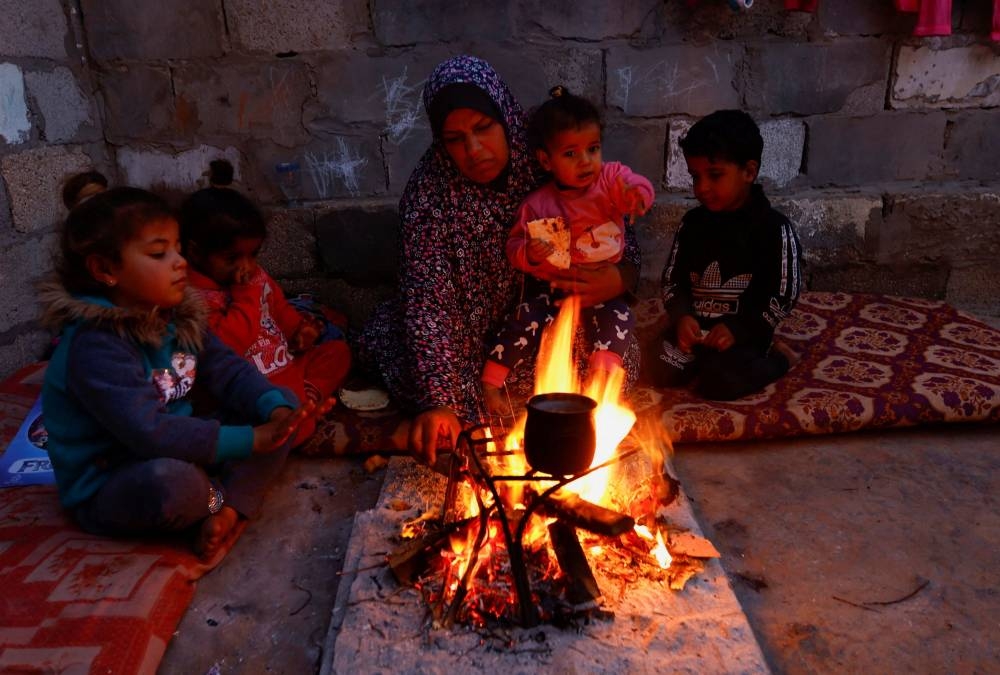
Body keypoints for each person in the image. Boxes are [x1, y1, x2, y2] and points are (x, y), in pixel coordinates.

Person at [356, 55, 643, 466]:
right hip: (470, 342)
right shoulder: (428, 196)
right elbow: (427, 304)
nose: (474, 150)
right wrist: (440, 403)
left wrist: (616, 279)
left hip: (549, 320)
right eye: (455, 139)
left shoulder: (551, 150)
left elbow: (619, 236)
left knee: (616, 362)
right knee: (407, 354)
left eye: (483, 128)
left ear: (504, 116)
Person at [40, 176, 311, 560]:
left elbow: (228, 370)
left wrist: (275, 410)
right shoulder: (96, 345)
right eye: (158, 254)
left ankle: (224, 508)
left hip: (185, 446)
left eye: (179, 249)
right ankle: (219, 500)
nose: (180, 263)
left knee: (282, 402)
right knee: (172, 483)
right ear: (105, 270)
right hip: (118, 477)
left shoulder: (178, 316)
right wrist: (252, 441)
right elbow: (149, 433)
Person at [481, 86, 654, 413]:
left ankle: (601, 387)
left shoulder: (610, 181)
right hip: (553, 290)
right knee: (523, 319)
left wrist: (636, 195)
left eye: (592, 149)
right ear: (546, 160)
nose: (585, 162)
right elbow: (514, 247)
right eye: (570, 154)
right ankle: (492, 382)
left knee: (619, 318)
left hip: (603, 293)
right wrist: (531, 253)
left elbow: (637, 184)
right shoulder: (538, 205)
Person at [179, 160, 351, 447]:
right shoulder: (192, 298)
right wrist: (246, 294)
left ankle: (306, 400)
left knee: (337, 350)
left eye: (253, 255)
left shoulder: (256, 277)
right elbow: (229, 347)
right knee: (270, 412)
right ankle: (294, 416)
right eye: (232, 259)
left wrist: (300, 331)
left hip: (286, 366)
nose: (246, 267)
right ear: (196, 253)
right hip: (256, 389)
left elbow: (279, 308)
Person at [649, 109, 802, 400]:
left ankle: (780, 359)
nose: (702, 187)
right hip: (694, 335)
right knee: (656, 366)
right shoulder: (692, 224)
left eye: (715, 175)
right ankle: (698, 362)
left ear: (748, 171)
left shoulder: (773, 228)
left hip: (741, 335)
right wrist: (682, 318)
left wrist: (740, 328)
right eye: (695, 176)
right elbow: (672, 280)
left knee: (722, 382)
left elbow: (784, 294)